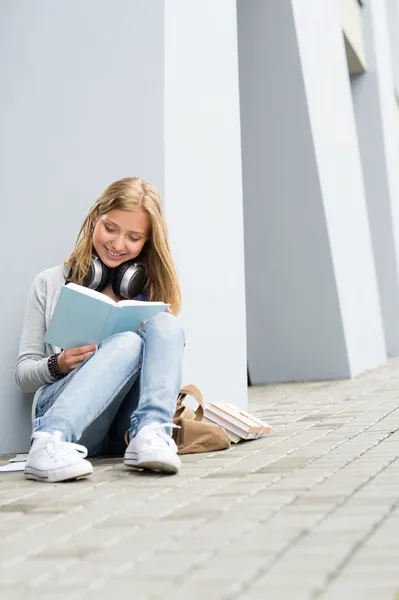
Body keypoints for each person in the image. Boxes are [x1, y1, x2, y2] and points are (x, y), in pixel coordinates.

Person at [15, 177, 185, 483]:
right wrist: (59, 363)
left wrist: (157, 334)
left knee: (167, 324)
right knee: (127, 344)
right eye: (110, 229)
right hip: (63, 415)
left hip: (119, 429)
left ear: (147, 241)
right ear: (95, 218)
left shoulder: (146, 290)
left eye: (133, 237)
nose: (118, 245)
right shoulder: (49, 283)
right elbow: (23, 374)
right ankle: (49, 441)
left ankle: (151, 434)